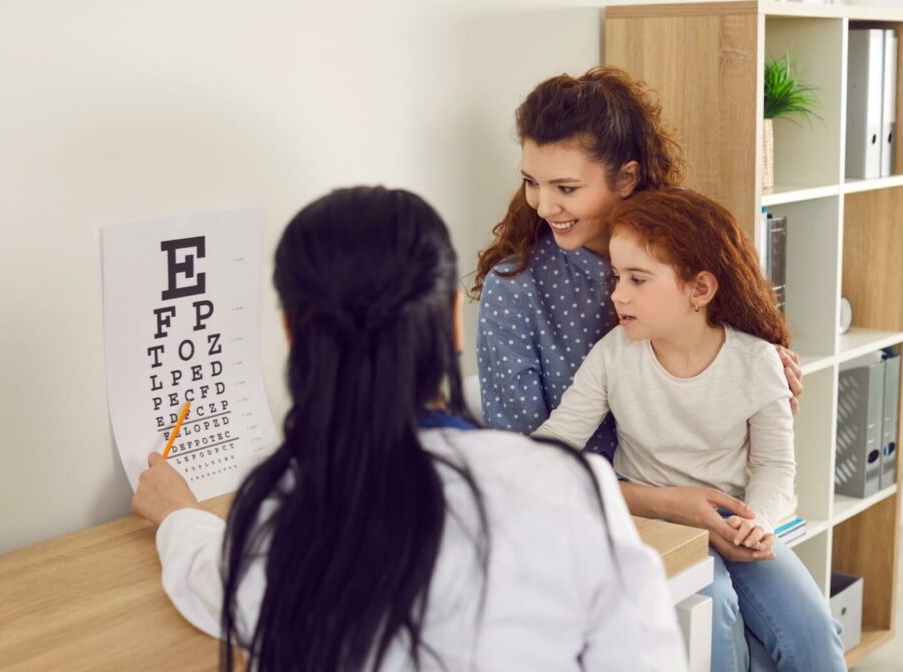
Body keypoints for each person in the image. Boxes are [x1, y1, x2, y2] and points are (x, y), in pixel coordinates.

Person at [132, 186, 686, 671]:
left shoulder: (279, 518)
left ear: (292, 332)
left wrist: (177, 513)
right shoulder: (569, 492)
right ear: (450, 320)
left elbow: (214, 578)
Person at [472, 68, 805, 668]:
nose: (544, 206)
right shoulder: (516, 289)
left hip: (724, 499)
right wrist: (665, 502)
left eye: (566, 188)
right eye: (531, 183)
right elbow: (524, 464)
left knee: (804, 636)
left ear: (626, 177)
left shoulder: (685, 254)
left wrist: (766, 372)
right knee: (716, 616)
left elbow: (745, 370)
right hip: (593, 514)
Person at [533, 188, 846, 672]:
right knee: (714, 617)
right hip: (658, 528)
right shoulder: (614, 356)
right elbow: (554, 446)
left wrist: (757, 522)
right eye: (617, 277)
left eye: (637, 279)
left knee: (815, 635)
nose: (618, 293)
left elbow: (773, 464)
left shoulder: (757, 361)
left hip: (739, 529)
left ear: (699, 290)